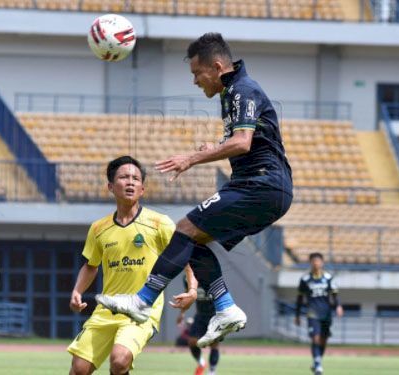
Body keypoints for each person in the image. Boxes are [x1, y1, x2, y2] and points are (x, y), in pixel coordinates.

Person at [97, 32, 293, 347]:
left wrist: (192, 158)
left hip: (261, 183)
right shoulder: (233, 93)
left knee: (184, 228)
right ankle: (226, 309)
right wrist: (216, 147)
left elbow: (242, 143)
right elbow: (250, 141)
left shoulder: (243, 90)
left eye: (196, 73)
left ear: (216, 66)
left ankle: (143, 300)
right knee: (192, 241)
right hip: (265, 186)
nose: (194, 81)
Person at [68, 156, 198, 375]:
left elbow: (188, 256)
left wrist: (192, 290)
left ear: (142, 189)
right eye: (124, 177)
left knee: (119, 360)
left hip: (143, 308)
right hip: (107, 308)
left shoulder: (159, 223)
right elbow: (91, 266)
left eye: (135, 179)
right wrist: (77, 291)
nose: (130, 182)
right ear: (110, 186)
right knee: (79, 370)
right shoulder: (98, 229)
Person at [294, 253, 343, 375]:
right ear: (311, 263)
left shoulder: (328, 278)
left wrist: (338, 306)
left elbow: (334, 294)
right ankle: (318, 365)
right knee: (315, 338)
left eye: (318, 261)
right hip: (312, 312)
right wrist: (297, 315)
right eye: (313, 261)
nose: (316, 263)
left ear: (322, 263)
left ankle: (317, 361)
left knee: (323, 340)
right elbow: (300, 298)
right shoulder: (305, 279)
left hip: (326, 313)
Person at [178, 276, 220, 375]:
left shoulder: (212, 274)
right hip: (200, 315)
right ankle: (201, 362)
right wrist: (182, 313)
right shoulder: (187, 278)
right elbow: (187, 296)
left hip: (214, 315)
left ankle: (212, 371)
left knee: (214, 344)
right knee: (192, 341)